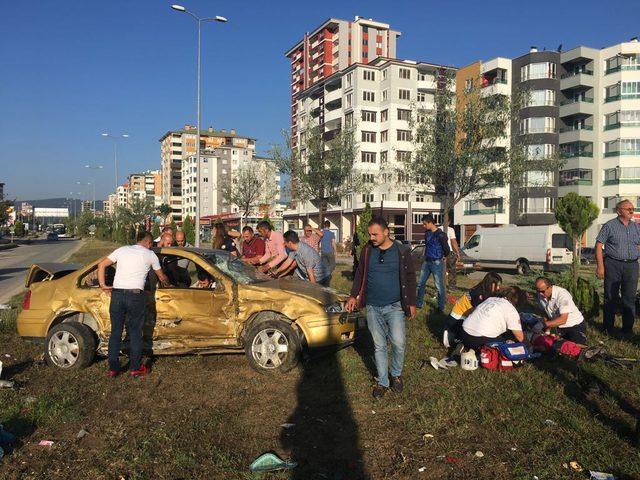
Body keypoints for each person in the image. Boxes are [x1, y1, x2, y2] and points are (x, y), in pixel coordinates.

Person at [345, 216, 416, 398]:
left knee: (399, 343)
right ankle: (383, 381)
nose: (371, 238)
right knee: (379, 345)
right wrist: (353, 296)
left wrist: (412, 303)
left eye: (375, 234)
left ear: (386, 232)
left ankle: (396, 375)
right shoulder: (367, 250)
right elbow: (360, 274)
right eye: (370, 234)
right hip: (372, 307)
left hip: (395, 306)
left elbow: (410, 277)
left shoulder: (401, 250)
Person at [97, 231, 169, 378]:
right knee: (136, 332)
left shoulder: (122, 250)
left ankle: (113, 368)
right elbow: (161, 277)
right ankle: (135, 368)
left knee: (116, 332)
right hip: (136, 296)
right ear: (149, 243)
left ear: (137, 240)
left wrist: (103, 285)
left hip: (117, 294)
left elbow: (101, 265)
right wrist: (168, 283)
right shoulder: (150, 255)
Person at [595, 199, 640, 336]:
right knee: (610, 297)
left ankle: (627, 330)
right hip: (613, 264)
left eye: (632, 209)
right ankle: (608, 329)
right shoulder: (609, 225)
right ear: (619, 211)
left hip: (632, 265)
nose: (632, 211)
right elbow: (598, 246)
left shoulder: (636, 227)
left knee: (629, 298)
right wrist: (600, 267)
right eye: (628, 209)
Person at [443, 272, 502, 347]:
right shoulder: (479, 293)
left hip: (462, 316)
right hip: (458, 318)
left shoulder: (483, 288)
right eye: (497, 285)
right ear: (490, 283)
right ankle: (451, 337)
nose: (498, 288)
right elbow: (479, 313)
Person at [460, 286, 527, 351]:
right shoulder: (511, 309)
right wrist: (529, 346)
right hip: (479, 338)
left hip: (464, 332)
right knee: (509, 345)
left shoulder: (491, 299)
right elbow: (519, 336)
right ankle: (482, 354)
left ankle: (466, 347)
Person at [535, 277, 586, 344]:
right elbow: (545, 313)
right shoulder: (541, 295)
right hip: (558, 327)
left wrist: (544, 324)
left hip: (574, 325)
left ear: (550, 287)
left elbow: (563, 319)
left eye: (542, 291)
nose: (540, 294)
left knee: (573, 349)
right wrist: (547, 331)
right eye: (538, 291)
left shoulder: (562, 295)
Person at [416, 214, 450, 312]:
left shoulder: (441, 235)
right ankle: (419, 303)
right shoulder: (427, 233)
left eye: (425, 224)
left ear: (431, 223)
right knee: (420, 283)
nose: (423, 226)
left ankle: (441, 307)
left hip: (437, 263)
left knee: (439, 286)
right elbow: (427, 245)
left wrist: (443, 257)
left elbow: (446, 249)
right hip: (426, 262)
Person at [439, 220, 460, 288]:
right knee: (452, 270)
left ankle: (440, 285)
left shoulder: (438, 229)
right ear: (448, 222)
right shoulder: (450, 229)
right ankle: (452, 286)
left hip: (439, 252)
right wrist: (457, 252)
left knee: (440, 270)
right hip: (449, 252)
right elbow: (453, 242)